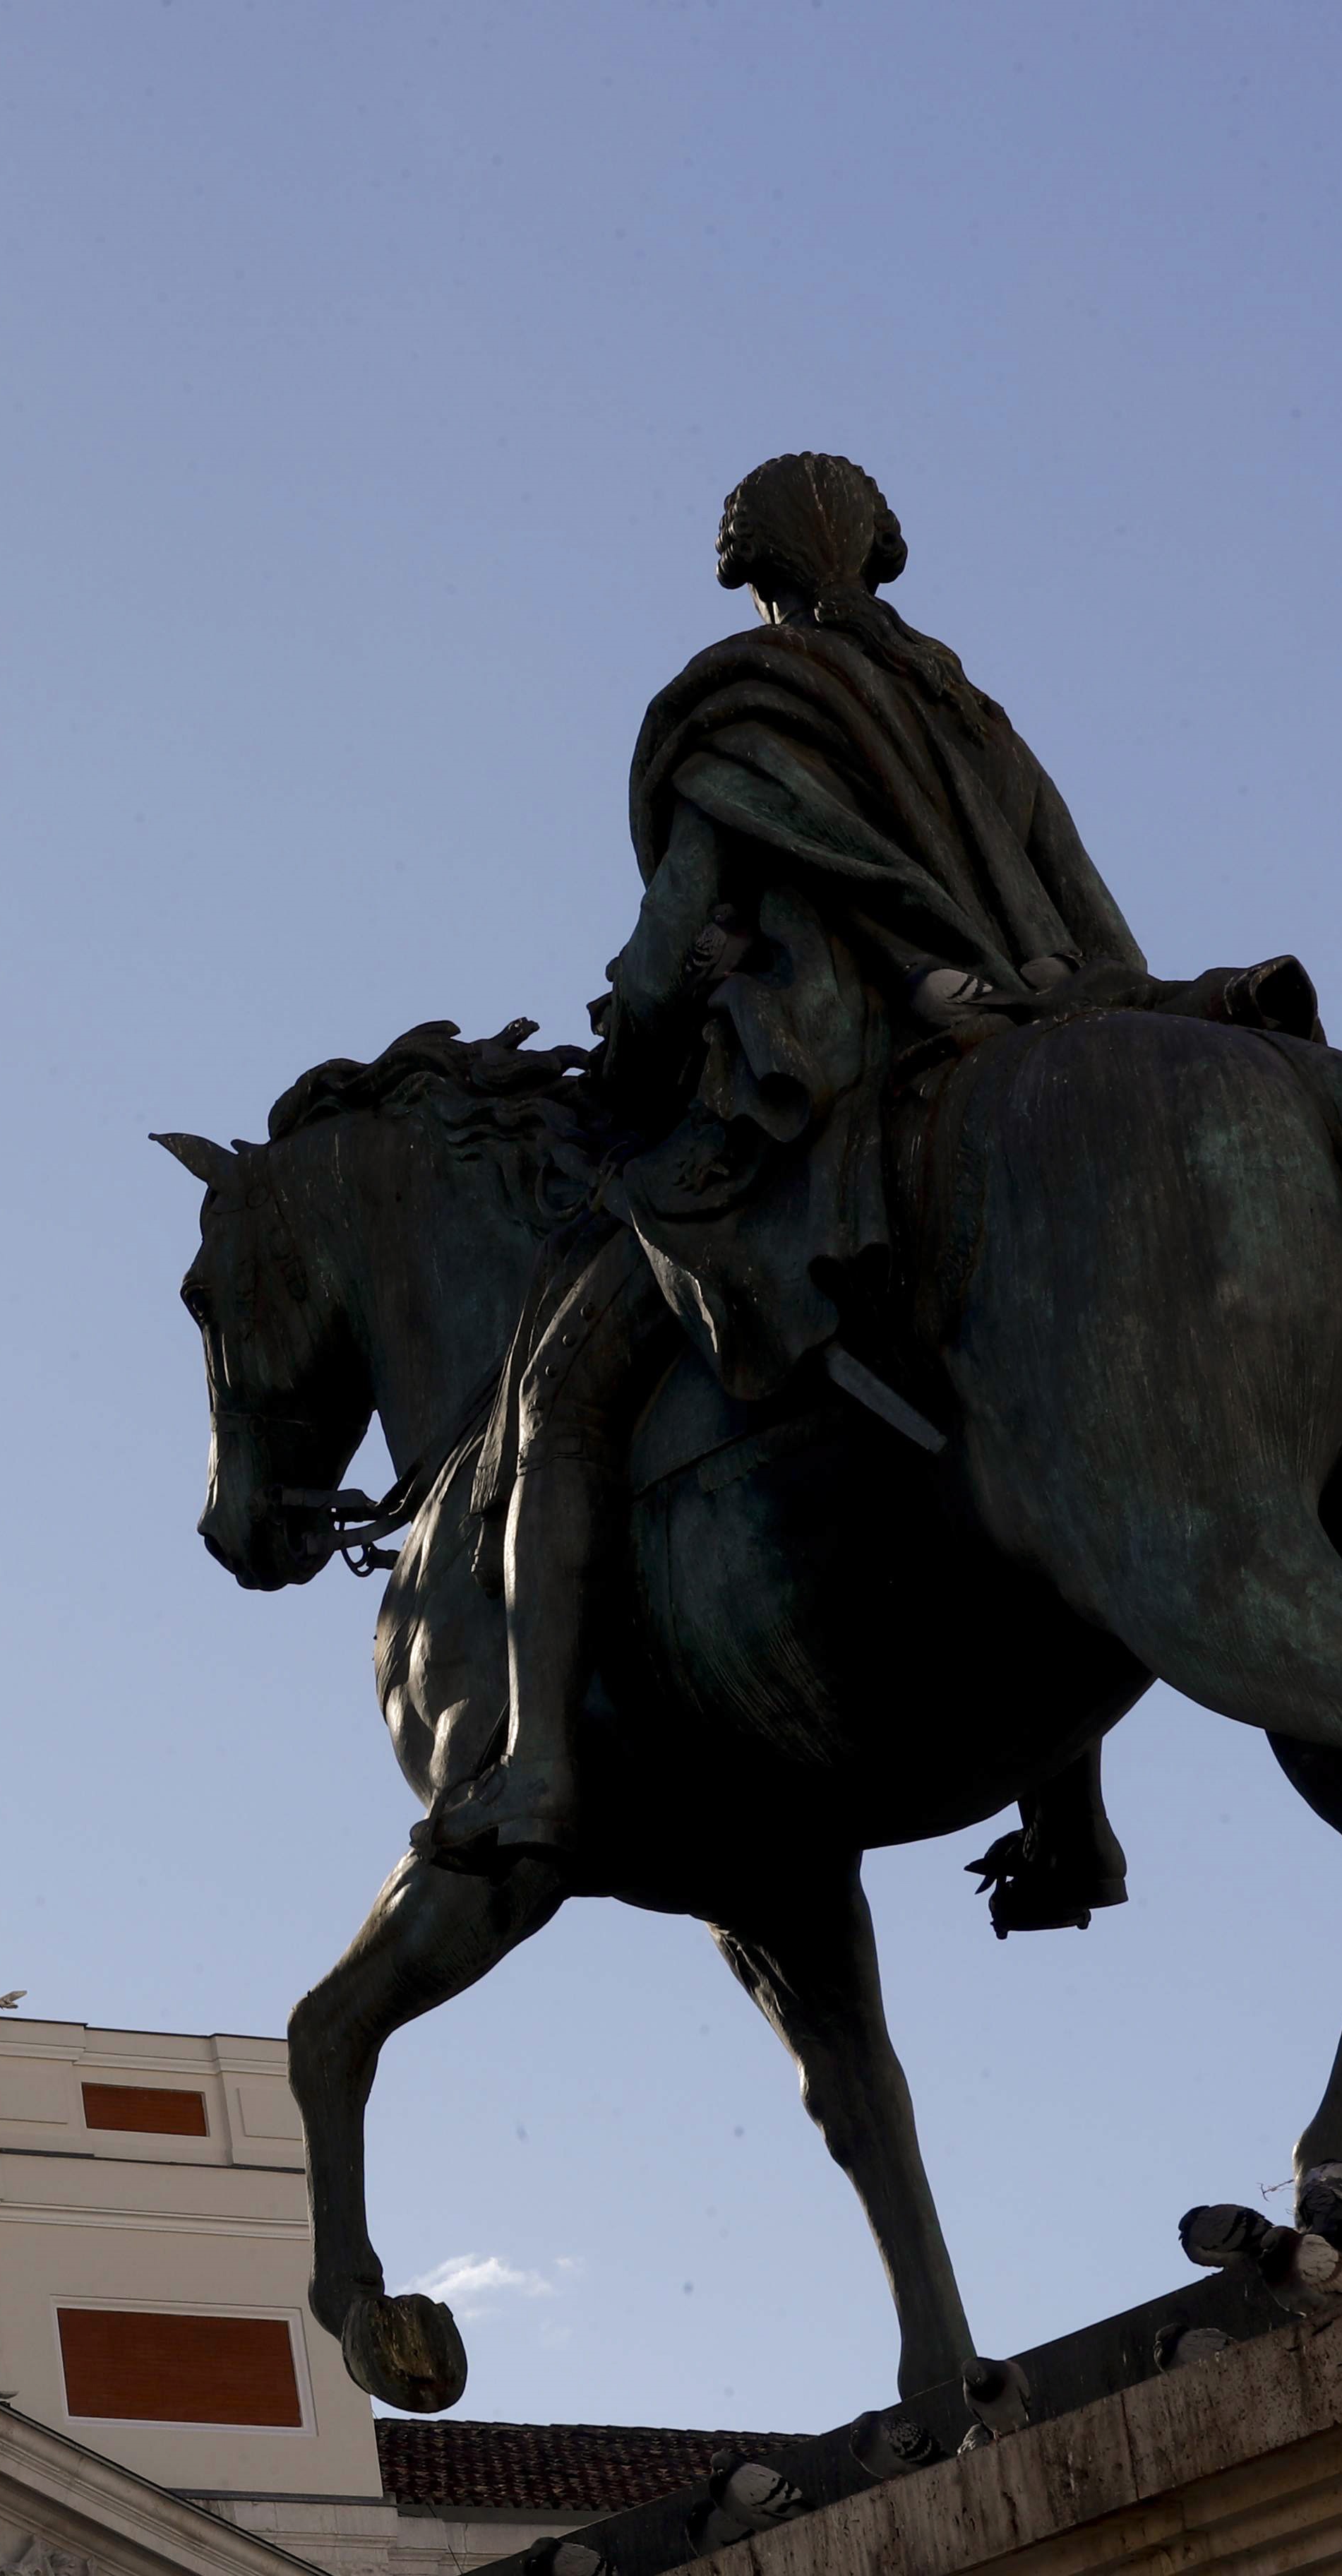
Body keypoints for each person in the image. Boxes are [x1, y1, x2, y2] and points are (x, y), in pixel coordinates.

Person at [421, 453, 1193, 1878]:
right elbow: (1093, 908)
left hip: (817, 1105)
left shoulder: (747, 712)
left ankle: (529, 1772)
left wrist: (634, 1061)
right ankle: (1070, 1814)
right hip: (1040, 1032)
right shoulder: (972, 717)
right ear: (884, 553)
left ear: (747, 569)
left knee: (555, 1412)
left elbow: (663, 965)